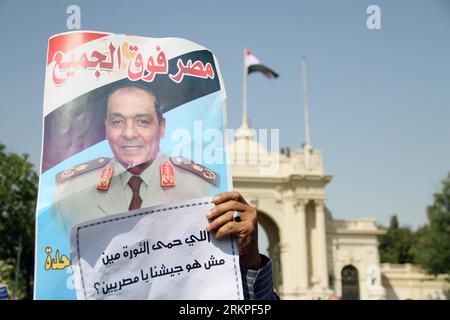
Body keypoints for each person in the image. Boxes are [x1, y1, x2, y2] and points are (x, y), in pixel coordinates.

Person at [52, 83, 278, 299]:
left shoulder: (203, 190)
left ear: (162, 127)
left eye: (142, 121)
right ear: (105, 127)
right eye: (117, 121)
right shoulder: (71, 193)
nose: (129, 133)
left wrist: (250, 263)